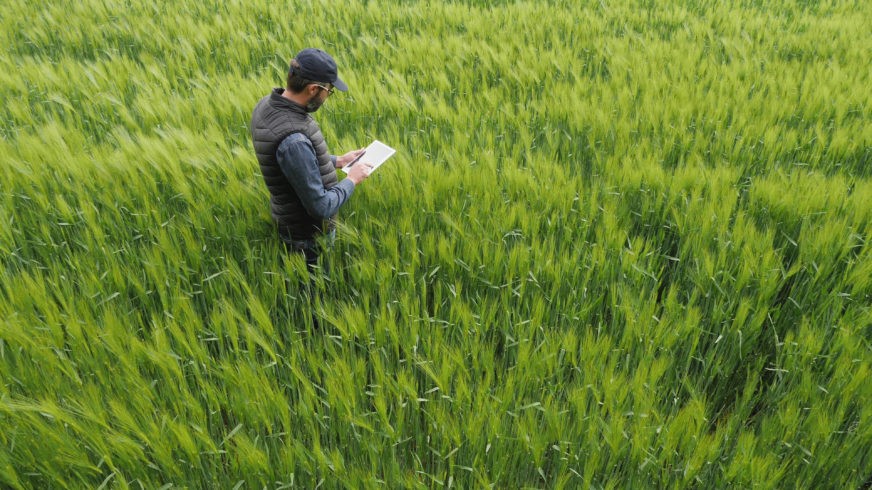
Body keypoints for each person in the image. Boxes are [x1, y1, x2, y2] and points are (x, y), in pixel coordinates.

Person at [250, 48, 372, 272]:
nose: (328, 96)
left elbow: (291, 163)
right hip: (308, 238)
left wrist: (338, 160)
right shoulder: (294, 139)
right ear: (313, 89)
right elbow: (321, 207)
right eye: (330, 90)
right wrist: (352, 180)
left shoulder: (266, 105)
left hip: (289, 219)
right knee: (315, 293)